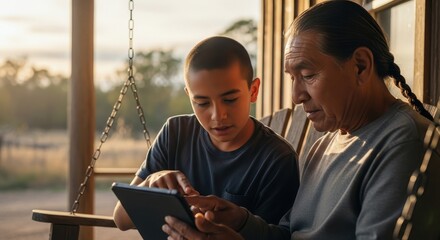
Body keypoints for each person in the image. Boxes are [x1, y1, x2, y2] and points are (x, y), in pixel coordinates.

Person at [161, 1, 440, 239]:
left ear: (360, 66)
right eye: (292, 78)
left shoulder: (403, 146)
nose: (296, 96)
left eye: (307, 75)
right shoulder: (325, 145)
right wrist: (241, 222)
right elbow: (290, 233)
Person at [113, 36, 300, 230]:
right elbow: (121, 219)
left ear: (253, 90)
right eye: (202, 103)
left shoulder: (276, 160)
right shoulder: (175, 134)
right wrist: (150, 184)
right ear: (190, 96)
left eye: (230, 100)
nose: (218, 116)